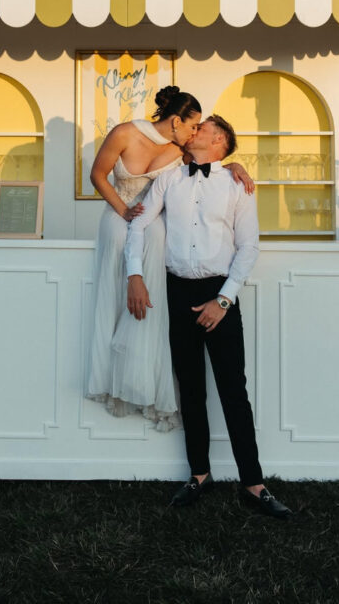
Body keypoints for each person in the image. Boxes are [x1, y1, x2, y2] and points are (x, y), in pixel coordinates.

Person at [125, 115, 291, 518]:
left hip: (221, 293)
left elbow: (248, 247)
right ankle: (199, 475)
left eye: (204, 127)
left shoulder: (237, 183)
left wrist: (224, 300)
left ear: (219, 140)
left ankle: (253, 484)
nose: (194, 130)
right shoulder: (167, 179)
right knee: (191, 389)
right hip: (177, 292)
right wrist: (134, 273)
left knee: (234, 390)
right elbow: (138, 224)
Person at [87, 87, 252, 430]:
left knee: (157, 272)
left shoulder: (181, 150)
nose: (195, 133)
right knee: (120, 241)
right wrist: (124, 212)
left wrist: (234, 164)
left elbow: (211, 166)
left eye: (199, 130)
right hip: (122, 212)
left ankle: (150, 382)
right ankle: (114, 376)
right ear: (177, 121)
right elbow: (97, 176)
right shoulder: (124, 133)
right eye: (193, 126)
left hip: (152, 222)